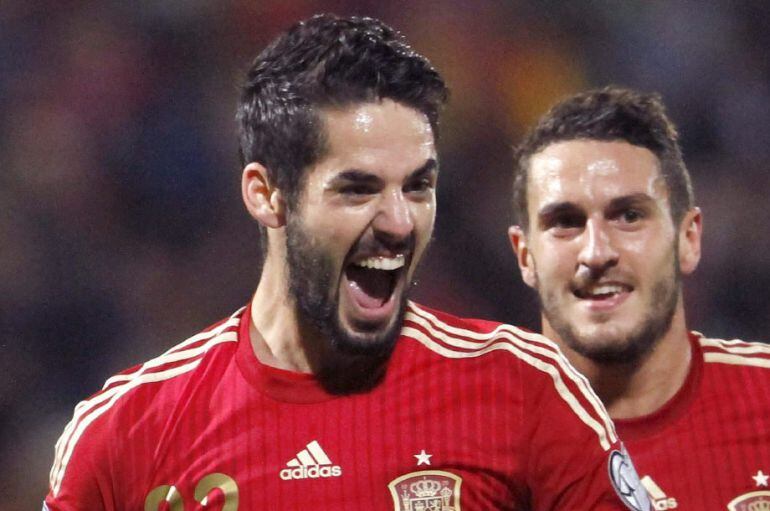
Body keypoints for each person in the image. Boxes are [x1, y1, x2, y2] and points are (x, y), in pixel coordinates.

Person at [45, 16, 645, 510]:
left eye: (417, 186)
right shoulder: (125, 437)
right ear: (266, 194)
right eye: (357, 189)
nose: (399, 222)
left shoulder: (527, 392)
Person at [509, 86, 770, 510]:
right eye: (565, 222)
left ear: (688, 239)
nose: (596, 252)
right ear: (525, 255)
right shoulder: (462, 439)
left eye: (629, 216)